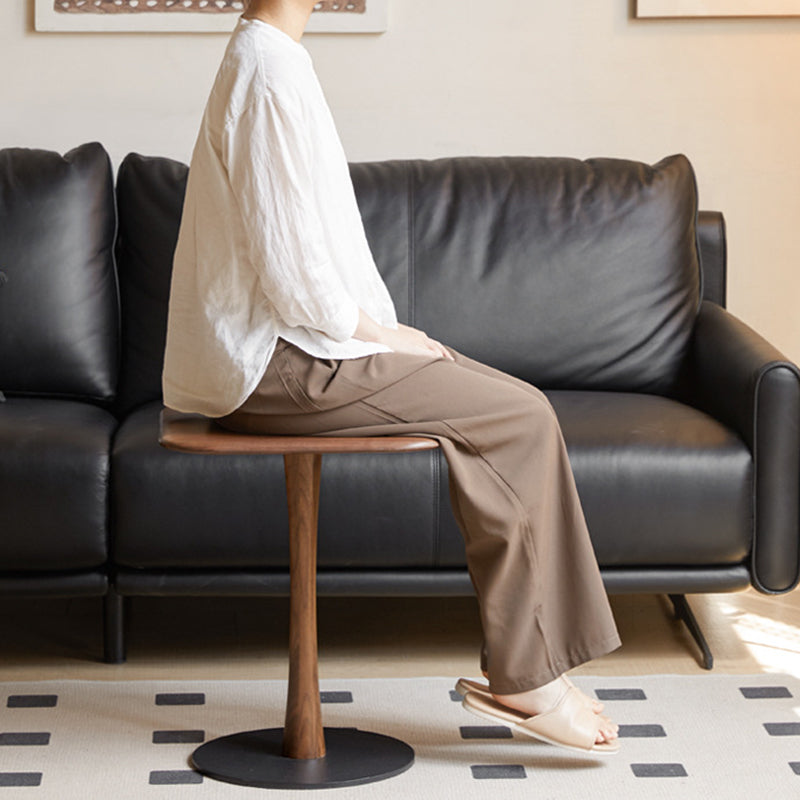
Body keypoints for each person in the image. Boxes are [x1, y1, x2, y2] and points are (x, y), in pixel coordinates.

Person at [162, 0, 621, 754]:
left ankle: (528, 666)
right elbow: (291, 267)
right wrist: (383, 334)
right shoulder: (267, 69)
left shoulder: (270, 57)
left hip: (284, 351)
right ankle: (527, 677)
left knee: (508, 406)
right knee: (520, 416)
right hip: (277, 364)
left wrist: (390, 336)